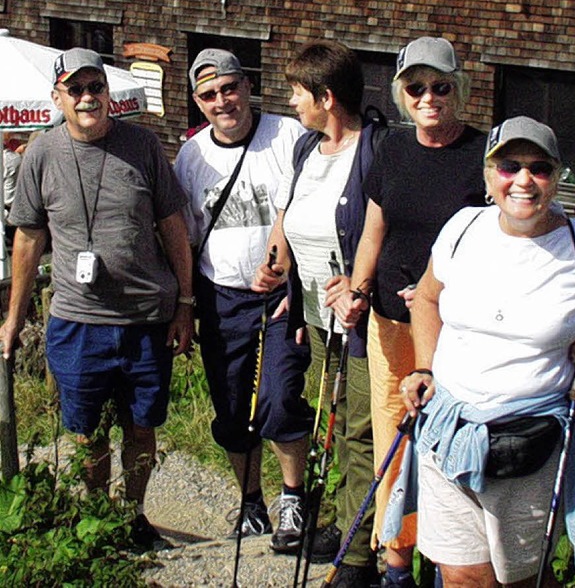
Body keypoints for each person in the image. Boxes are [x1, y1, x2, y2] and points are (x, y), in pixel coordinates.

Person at [400, 115, 575, 586]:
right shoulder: (463, 227)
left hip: (529, 446)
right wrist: (424, 367)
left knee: (521, 580)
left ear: (556, 178)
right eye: (509, 165)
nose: (524, 180)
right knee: (463, 576)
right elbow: (427, 298)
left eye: (540, 168)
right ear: (489, 175)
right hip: (447, 433)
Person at [0, 47, 193, 548]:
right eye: (77, 89)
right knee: (86, 432)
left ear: (108, 94)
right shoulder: (40, 153)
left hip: (146, 316)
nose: (88, 98)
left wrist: (185, 305)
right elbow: (27, 240)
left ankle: (133, 518)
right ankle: (96, 519)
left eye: (96, 88)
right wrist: (13, 318)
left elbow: (173, 228)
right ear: (58, 96)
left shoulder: (144, 146)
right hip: (78, 319)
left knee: (142, 427)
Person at [334, 36, 486, 587]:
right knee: (392, 443)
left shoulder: (485, 154)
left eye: (440, 86)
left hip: (455, 332)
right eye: (416, 87)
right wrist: (357, 286)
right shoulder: (392, 149)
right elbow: (375, 227)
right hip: (387, 326)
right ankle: (397, 562)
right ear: (401, 93)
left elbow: (495, 243)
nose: (428, 97)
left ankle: (451, 564)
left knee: (449, 448)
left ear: (458, 89)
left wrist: (437, 291)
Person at [253, 40, 389, 586]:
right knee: (330, 424)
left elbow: (387, 233)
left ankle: (356, 559)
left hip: (361, 318)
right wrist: (277, 270)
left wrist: (361, 285)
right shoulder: (307, 149)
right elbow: (288, 218)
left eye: (298, 91)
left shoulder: (375, 149)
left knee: (359, 429)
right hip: (312, 312)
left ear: (327, 97)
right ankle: (342, 518)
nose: (291, 101)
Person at [173, 48, 313, 553]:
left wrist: (294, 287)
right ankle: (251, 501)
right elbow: (184, 236)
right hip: (219, 296)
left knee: (278, 399)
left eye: (229, 88)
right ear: (197, 102)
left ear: (247, 86)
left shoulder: (288, 137)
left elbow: (309, 215)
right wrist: (185, 304)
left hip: (278, 298)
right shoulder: (192, 156)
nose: (222, 101)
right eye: (209, 95)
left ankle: (294, 497)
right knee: (231, 409)